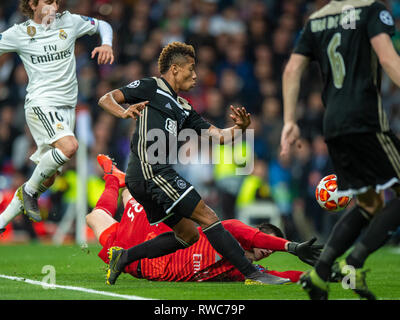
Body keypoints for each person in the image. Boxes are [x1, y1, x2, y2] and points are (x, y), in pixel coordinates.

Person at [98, 42, 322, 286]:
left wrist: (241, 128)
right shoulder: (152, 86)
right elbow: (106, 98)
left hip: (150, 175)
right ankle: (253, 273)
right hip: (150, 169)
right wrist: (123, 112)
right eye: (191, 69)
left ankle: (124, 256)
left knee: (188, 235)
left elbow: (218, 136)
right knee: (208, 215)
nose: (196, 76)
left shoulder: (184, 107)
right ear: (174, 69)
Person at [280, 0, 400, 300]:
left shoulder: (316, 19)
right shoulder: (373, 9)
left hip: (332, 124)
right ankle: (353, 264)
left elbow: (293, 68)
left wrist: (290, 120)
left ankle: (320, 275)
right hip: (365, 119)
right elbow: (387, 58)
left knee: (369, 204)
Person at [87, 154, 322, 283]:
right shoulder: (229, 232)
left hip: (144, 266)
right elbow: (248, 234)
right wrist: (290, 247)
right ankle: (115, 178)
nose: (267, 250)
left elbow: (286, 276)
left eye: (271, 249)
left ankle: (115, 178)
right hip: (155, 240)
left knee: (95, 217)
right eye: (266, 242)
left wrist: (325, 274)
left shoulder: (242, 270)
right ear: (257, 235)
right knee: (131, 201)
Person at [0, 0, 114, 232]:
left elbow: (103, 25)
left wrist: (107, 45)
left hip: (66, 109)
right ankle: (28, 193)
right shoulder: (20, 33)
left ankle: (2, 220)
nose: (54, 5)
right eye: (48, 1)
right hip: (41, 103)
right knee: (70, 146)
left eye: (56, 1)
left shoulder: (69, 22)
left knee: (48, 178)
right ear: (32, 4)